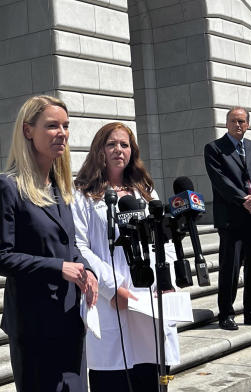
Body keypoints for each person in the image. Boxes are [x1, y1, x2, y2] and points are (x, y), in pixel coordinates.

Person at [0, 95, 97, 391]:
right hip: (34, 324)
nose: (62, 133)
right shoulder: (5, 187)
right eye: (52, 126)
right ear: (27, 131)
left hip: (69, 317)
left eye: (66, 126)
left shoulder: (61, 188)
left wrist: (87, 270)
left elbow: (70, 245)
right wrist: (58, 267)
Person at [72, 122, 180, 391]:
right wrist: (112, 288)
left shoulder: (144, 190)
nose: (119, 149)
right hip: (111, 299)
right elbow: (80, 246)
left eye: (125, 144)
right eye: (111, 144)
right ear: (99, 150)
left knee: (150, 372)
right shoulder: (83, 193)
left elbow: (162, 239)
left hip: (148, 296)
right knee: (113, 375)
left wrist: (164, 279)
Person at [205, 107, 251, 331]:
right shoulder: (214, 148)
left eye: (242, 121)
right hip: (231, 218)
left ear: (248, 124)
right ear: (226, 123)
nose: (238, 125)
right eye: (234, 121)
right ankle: (226, 314)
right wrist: (245, 199)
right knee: (230, 267)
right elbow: (220, 181)